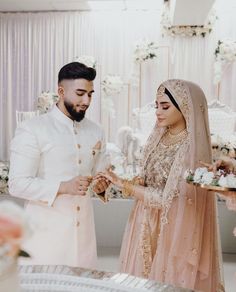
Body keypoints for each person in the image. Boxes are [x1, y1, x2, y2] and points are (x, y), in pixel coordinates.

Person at [98, 79, 224, 291]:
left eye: (165, 106)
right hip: (143, 222)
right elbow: (147, 179)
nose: (158, 111)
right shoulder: (158, 137)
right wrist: (117, 182)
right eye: (157, 105)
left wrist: (122, 184)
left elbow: (168, 198)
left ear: (185, 107)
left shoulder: (191, 149)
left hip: (174, 228)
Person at [8, 62, 110, 267]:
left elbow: (101, 171)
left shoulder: (96, 130)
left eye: (90, 94)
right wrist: (64, 187)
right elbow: (17, 184)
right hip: (45, 238)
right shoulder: (33, 129)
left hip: (84, 239)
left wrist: (101, 186)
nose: (86, 100)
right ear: (61, 91)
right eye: (80, 93)